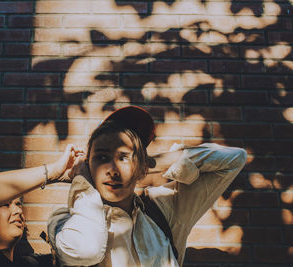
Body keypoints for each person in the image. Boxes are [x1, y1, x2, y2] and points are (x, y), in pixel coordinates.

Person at [47, 105, 247, 267]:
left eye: (123, 157)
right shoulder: (64, 222)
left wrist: (150, 163)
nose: (113, 169)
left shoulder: (162, 210)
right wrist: (82, 179)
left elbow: (234, 159)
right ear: (88, 165)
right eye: (102, 157)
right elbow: (86, 250)